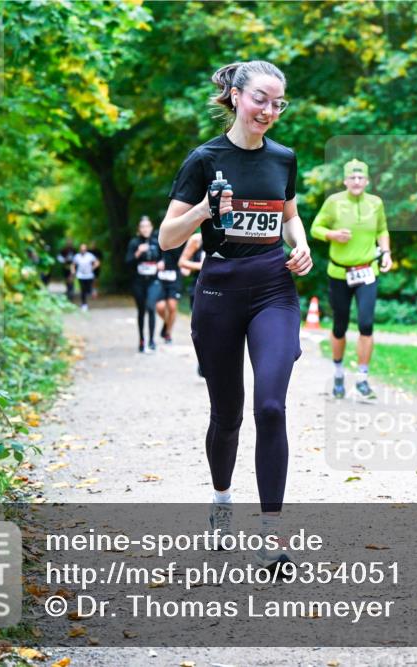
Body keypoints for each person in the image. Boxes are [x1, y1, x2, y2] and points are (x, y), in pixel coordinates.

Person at [159, 60, 312, 573]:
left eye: (278, 103)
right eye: (261, 99)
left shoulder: (284, 158)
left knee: (271, 406)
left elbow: (289, 217)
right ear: (235, 96)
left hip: (273, 287)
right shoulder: (204, 159)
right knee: (228, 417)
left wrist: (303, 245)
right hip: (220, 291)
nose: (269, 111)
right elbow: (167, 238)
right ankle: (222, 501)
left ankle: (272, 534)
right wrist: (203, 210)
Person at [310, 159, 392, 400]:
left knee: (366, 324)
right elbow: (315, 228)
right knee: (340, 326)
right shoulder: (333, 202)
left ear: (367, 181)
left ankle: (363, 379)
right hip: (339, 272)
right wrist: (332, 234)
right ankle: (338, 374)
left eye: (361, 178)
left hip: (367, 272)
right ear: (345, 181)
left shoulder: (375, 203)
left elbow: (382, 230)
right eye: (352, 178)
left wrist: (386, 252)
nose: (356, 182)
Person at [125, 216, 163, 353]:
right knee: (141, 310)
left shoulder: (156, 242)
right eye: (142, 227)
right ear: (139, 229)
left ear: (151, 228)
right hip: (138, 282)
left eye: (147, 226)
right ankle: (142, 340)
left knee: (151, 307)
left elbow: (164, 257)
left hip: (153, 281)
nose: (145, 229)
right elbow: (128, 262)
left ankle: (152, 340)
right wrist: (138, 252)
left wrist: (162, 263)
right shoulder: (134, 243)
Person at [178, 232, 206, 375]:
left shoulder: (229, 234)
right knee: (201, 329)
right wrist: (203, 265)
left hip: (224, 287)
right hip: (199, 288)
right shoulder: (197, 239)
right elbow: (182, 262)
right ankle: (202, 361)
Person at [155, 241, 186, 344]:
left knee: (172, 306)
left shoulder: (181, 239)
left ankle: (168, 333)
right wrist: (158, 261)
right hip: (160, 278)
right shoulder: (158, 238)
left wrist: (185, 266)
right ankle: (167, 322)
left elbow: (185, 255)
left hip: (174, 276)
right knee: (160, 307)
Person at [71, 243, 100, 311]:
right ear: (80, 249)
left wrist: (93, 267)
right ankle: (84, 304)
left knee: (88, 289)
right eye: (82, 249)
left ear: (86, 249)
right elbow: (73, 265)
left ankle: (92, 291)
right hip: (80, 275)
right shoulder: (77, 256)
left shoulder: (90, 256)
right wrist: (73, 271)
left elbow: (97, 262)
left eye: (84, 249)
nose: (83, 250)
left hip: (89, 275)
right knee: (83, 290)